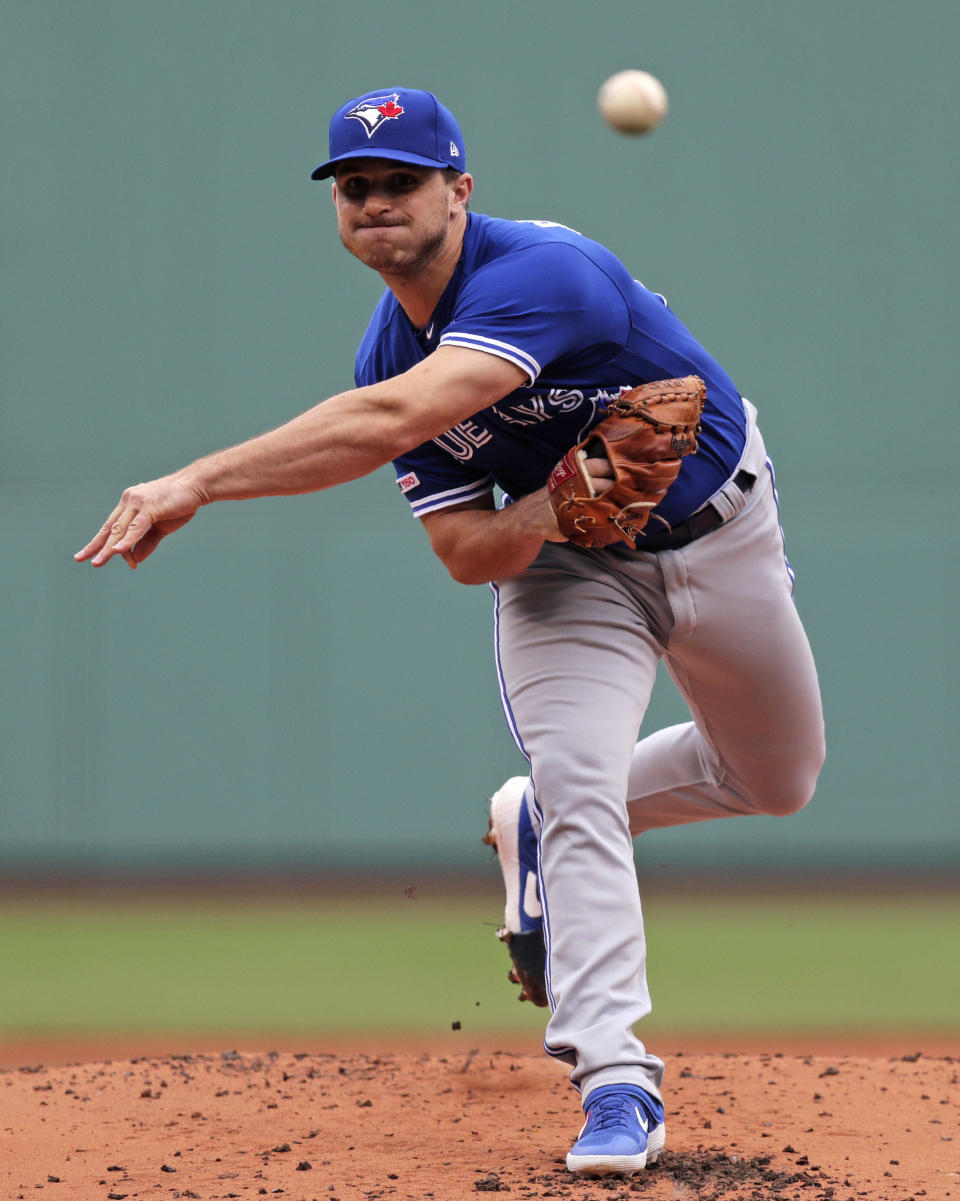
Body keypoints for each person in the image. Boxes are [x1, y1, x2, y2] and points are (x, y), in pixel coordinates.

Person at [76, 86, 826, 1177]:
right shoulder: (388, 355)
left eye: (401, 181)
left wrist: (196, 479)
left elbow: (392, 424)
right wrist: (551, 508)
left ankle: (534, 820)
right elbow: (468, 552)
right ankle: (615, 1079)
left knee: (778, 778)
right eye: (355, 187)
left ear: (460, 191)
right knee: (580, 778)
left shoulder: (543, 273)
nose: (375, 201)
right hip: (571, 573)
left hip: (723, 532)